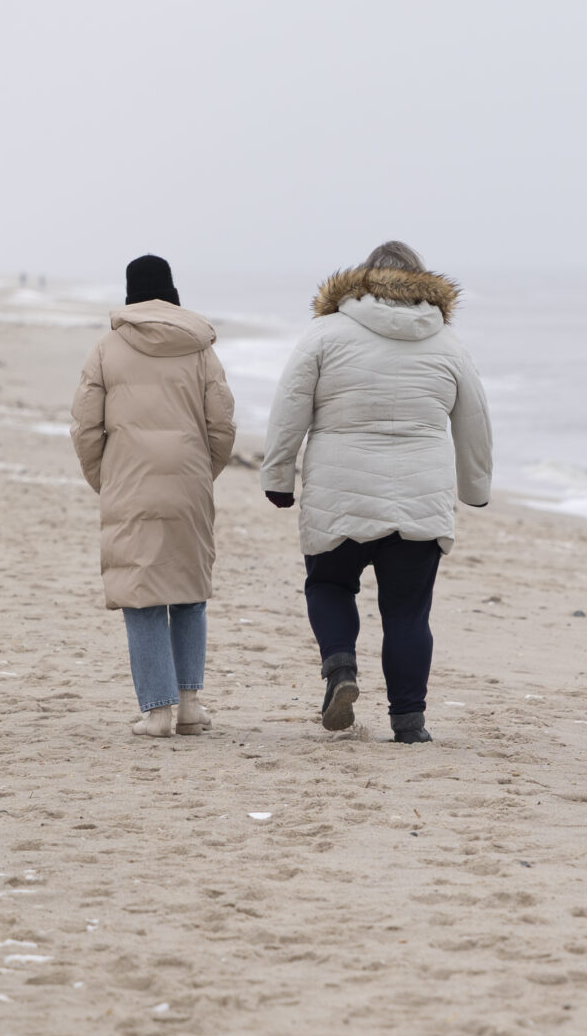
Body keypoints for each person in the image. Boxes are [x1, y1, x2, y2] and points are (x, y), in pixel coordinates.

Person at [261, 241, 491, 743]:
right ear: (422, 281)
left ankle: (341, 669)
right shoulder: (447, 343)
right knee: (407, 612)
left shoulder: (325, 333)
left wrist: (278, 477)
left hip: (340, 493)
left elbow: (289, 408)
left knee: (329, 586)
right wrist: (477, 488)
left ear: (363, 278)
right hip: (420, 498)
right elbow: (473, 420)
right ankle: (409, 723)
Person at [71, 254, 237, 739]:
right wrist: (203, 473)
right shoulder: (201, 348)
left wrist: (105, 477)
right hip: (188, 479)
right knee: (188, 590)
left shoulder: (106, 349)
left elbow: (86, 427)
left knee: (140, 592)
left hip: (130, 480)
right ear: (171, 293)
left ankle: (157, 712)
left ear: (130, 295)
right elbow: (221, 424)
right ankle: (189, 705)